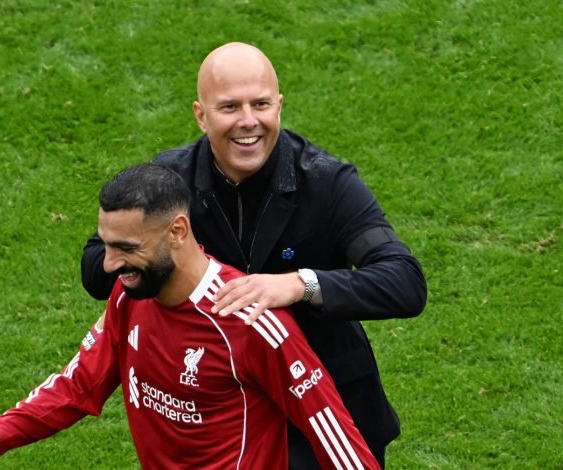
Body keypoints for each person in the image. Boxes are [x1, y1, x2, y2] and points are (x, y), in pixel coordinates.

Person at [81, 42, 427, 468]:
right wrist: (160, 259)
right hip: (226, 417)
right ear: (201, 115)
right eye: (229, 107)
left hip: (329, 414)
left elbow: (405, 281)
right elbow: (98, 265)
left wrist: (300, 284)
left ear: (279, 105)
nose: (248, 121)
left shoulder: (328, 184)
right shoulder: (170, 182)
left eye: (260, 104)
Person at [0, 164, 380, 470]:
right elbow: (81, 380)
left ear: (177, 231)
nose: (109, 265)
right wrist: (2, 431)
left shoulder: (246, 320)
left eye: (126, 248)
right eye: (106, 245)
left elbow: (330, 429)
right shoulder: (129, 296)